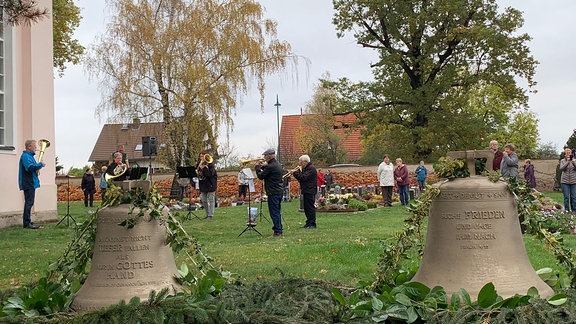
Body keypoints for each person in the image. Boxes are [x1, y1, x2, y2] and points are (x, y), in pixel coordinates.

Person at [255, 148, 284, 236]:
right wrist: (262, 166)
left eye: (265, 156)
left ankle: (277, 231)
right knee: (277, 211)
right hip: (278, 191)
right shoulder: (277, 164)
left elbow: (261, 176)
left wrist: (257, 167)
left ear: (269, 156)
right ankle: (279, 228)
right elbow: (268, 170)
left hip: (273, 192)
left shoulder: (270, 166)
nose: (264, 157)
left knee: (274, 212)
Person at [18, 139, 45, 229]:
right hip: (28, 182)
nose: (36, 148)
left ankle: (28, 221)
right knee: (29, 203)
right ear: (29, 147)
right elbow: (29, 168)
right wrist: (40, 164)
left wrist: (38, 166)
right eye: (34, 146)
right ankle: (26, 223)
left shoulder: (29, 156)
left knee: (30, 202)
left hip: (30, 182)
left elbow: (32, 167)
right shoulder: (25, 156)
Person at [292, 154, 318, 229]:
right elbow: (301, 179)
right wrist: (297, 173)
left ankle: (312, 223)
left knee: (310, 207)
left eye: (301, 162)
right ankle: (308, 222)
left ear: (305, 162)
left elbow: (303, 177)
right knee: (306, 208)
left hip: (310, 190)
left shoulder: (311, 168)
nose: (299, 163)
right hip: (306, 189)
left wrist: (295, 173)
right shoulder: (306, 168)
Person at [196, 151, 217, 220]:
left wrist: (203, 168)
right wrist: (199, 168)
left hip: (211, 184)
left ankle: (210, 215)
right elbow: (197, 173)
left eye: (202, 156)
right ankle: (207, 213)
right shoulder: (199, 164)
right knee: (203, 199)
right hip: (203, 184)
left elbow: (210, 175)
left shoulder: (211, 165)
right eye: (200, 156)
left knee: (211, 199)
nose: (201, 158)